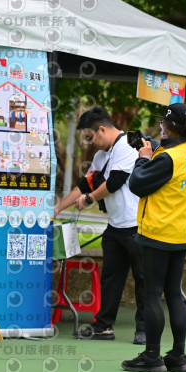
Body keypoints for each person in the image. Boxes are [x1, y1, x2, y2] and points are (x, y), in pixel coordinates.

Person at [121, 102, 186, 372]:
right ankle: (178, 355)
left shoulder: (167, 159)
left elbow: (137, 183)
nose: (161, 127)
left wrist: (143, 158)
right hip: (181, 233)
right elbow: (172, 160)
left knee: (153, 293)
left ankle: (152, 356)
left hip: (158, 232)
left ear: (172, 126)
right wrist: (153, 147)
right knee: (174, 294)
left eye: (164, 123)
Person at [54, 106, 146, 344]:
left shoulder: (127, 146)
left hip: (137, 225)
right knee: (111, 278)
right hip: (115, 227)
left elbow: (115, 182)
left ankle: (144, 330)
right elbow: (84, 185)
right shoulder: (100, 156)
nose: (90, 142)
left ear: (102, 130)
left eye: (90, 137)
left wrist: (90, 199)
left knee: (144, 279)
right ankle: (103, 326)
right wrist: (58, 208)